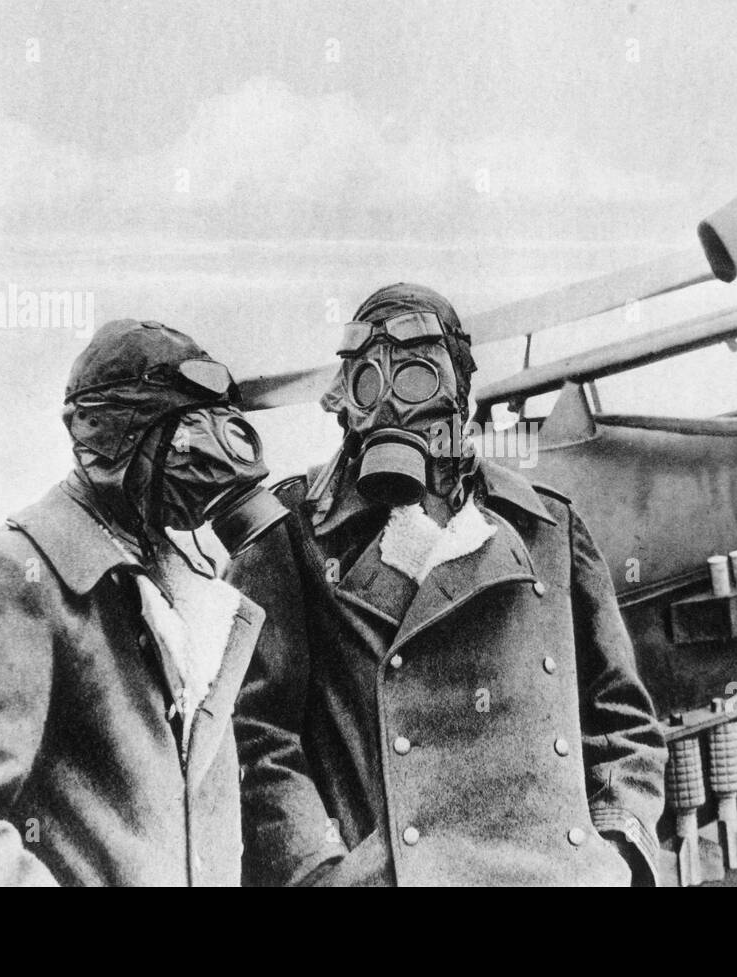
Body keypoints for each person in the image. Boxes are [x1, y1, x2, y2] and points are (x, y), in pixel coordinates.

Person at [231, 283, 666, 886]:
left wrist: (616, 844)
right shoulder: (295, 539)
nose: (395, 408)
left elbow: (621, 714)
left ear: (462, 390)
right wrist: (323, 873)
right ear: (347, 402)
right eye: (369, 382)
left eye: (417, 377)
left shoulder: (549, 527)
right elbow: (257, 739)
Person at [0, 319, 288, 886]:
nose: (209, 461)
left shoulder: (183, 594)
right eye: (183, 433)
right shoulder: (4, 583)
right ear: (114, 438)